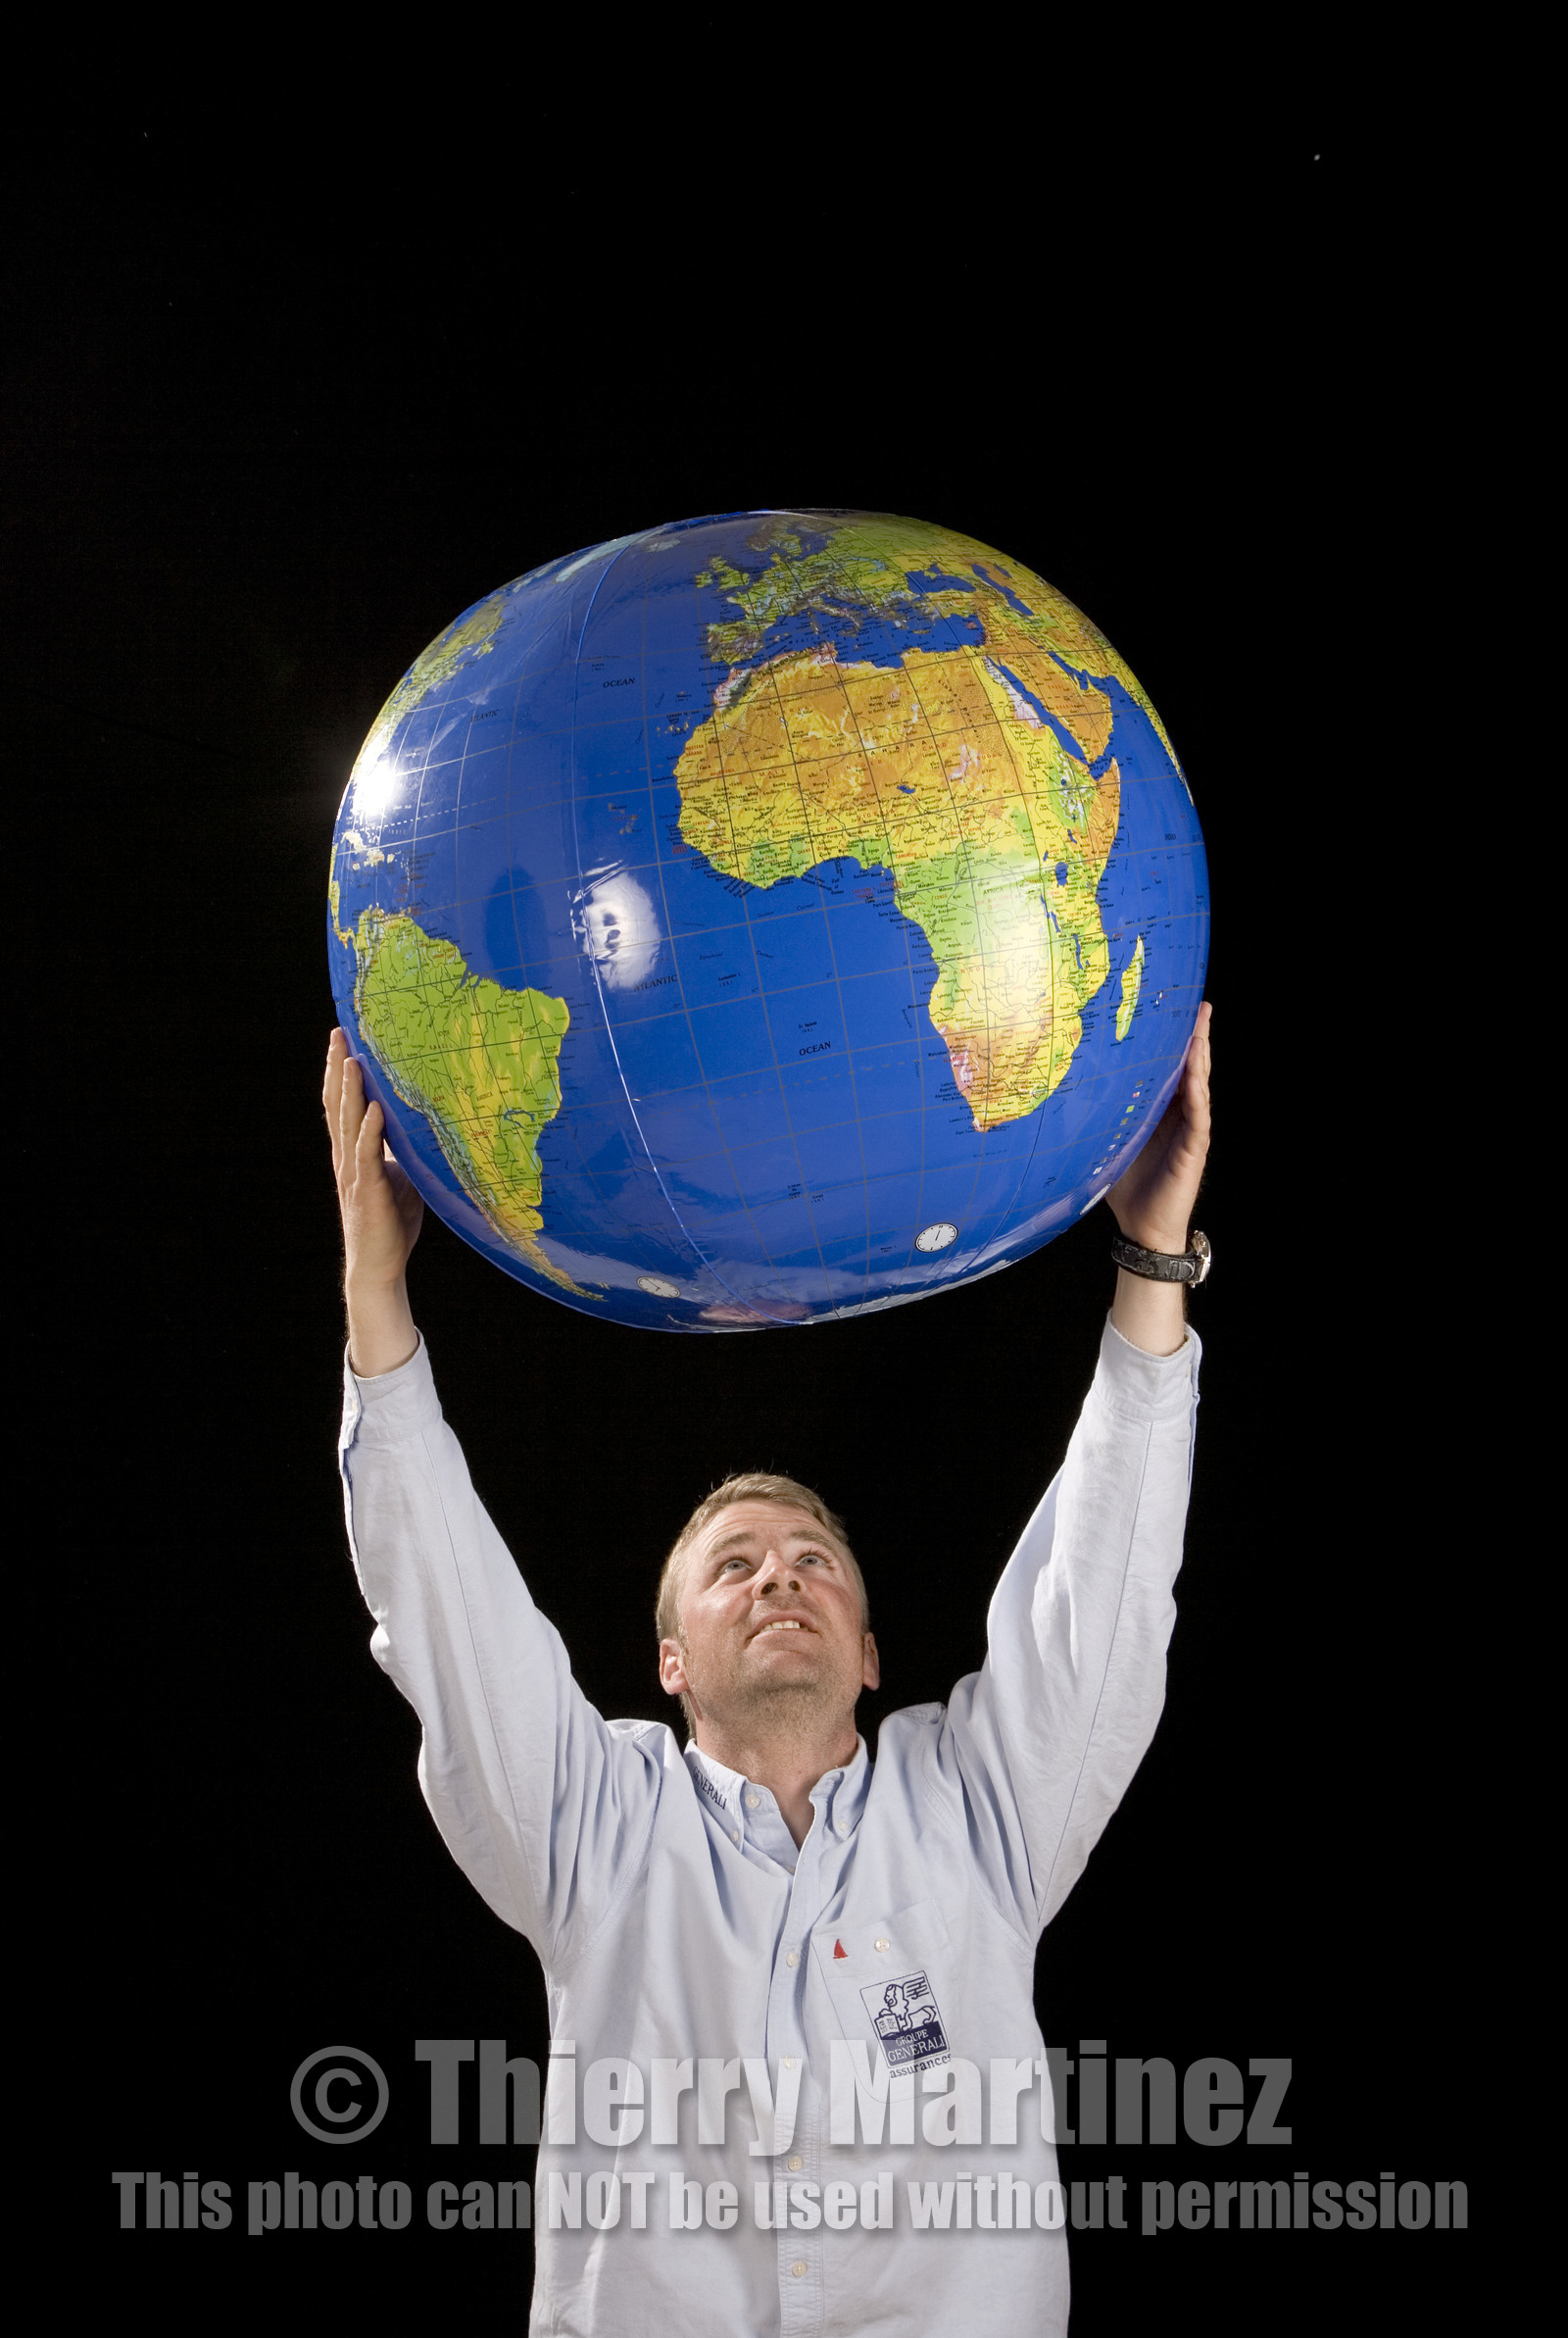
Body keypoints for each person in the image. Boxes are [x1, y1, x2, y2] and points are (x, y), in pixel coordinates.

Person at [324, 1003, 1212, 2337]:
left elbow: (1106, 1598)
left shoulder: (980, 1813)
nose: (779, 1576)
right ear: (670, 1661)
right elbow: (448, 1619)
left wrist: (1152, 1256)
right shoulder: (594, 1823)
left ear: (870, 1650)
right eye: (733, 1564)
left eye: (812, 1558)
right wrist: (375, 1295)